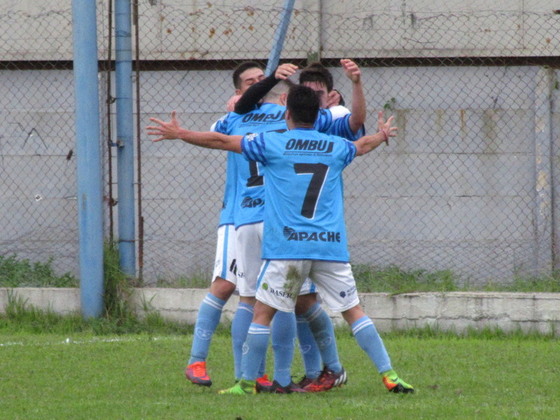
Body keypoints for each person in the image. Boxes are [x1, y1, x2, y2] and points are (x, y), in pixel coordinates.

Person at [146, 85, 415, 396]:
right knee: (354, 311)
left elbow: (221, 141)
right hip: (328, 246)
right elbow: (363, 145)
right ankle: (390, 375)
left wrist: (181, 134)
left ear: (287, 114)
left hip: (287, 247)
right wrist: (382, 136)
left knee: (262, 313)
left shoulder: (272, 143)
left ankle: (246, 383)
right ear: (318, 116)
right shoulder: (335, 146)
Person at [184, 61, 272, 388]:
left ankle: (253, 373)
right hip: (237, 215)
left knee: (263, 296)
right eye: (250, 82)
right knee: (226, 285)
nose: (258, 84)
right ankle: (196, 361)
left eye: (262, 79)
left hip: (268, 216)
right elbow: (216, 131)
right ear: (237, 92)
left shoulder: (281, 114)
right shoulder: (230, 119)